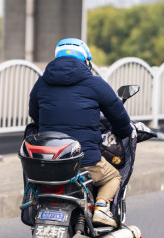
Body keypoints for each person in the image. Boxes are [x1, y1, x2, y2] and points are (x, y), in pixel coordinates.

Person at [28, 38, 133, 227]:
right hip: (84, 160)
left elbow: (34, 115)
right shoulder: (95, 84)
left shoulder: (42, 83)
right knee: (113, 176)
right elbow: (119, 117)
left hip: (47, 161)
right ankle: (101, 208)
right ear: (86, 61)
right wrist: (124, 131)